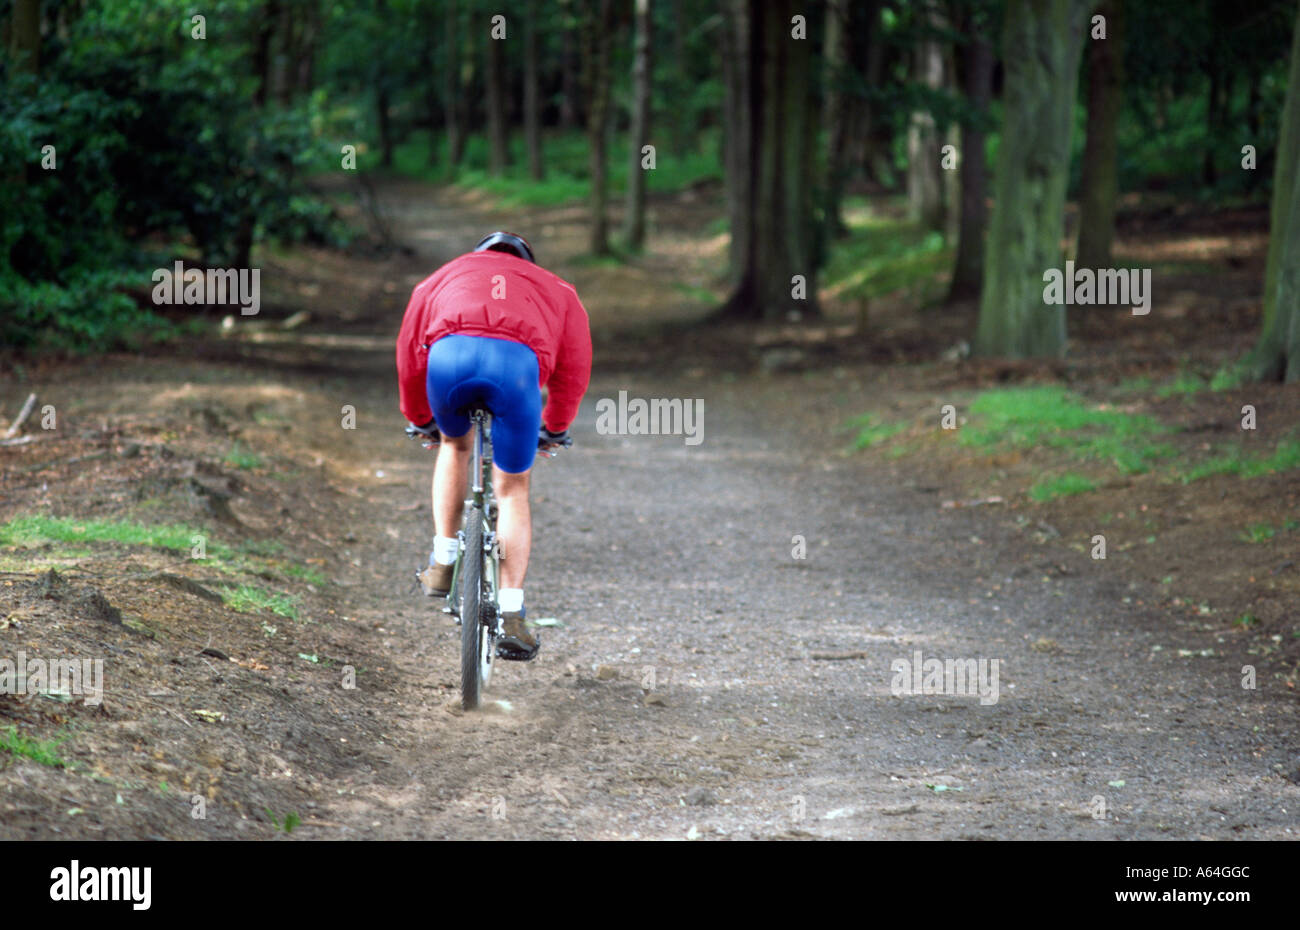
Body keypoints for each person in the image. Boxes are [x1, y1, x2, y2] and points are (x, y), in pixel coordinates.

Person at [396, 232, 592, 661]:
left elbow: (410, 356)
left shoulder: (443, 277)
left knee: (454, 446)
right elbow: (574, 368)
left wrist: (418, 417)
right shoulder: (557, 289)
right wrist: (555, 426)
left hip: (449, 362)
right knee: (512, 487)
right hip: (515, 371)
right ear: (529, 261)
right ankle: (511, 612)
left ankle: (443, 561)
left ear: (478, 255)